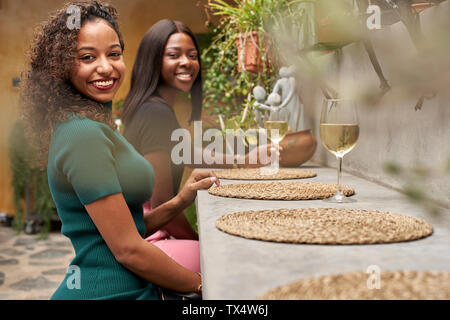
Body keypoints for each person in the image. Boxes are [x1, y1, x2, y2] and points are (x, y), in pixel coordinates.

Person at [20, 0, 217, 300]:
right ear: (61, 66)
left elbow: (129, 229)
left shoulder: (93, 126)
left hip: (131, 284)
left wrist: (180, 200)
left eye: (114, 54)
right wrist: (206, 286)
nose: (106, 67)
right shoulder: (81, 134)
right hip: (110, 292)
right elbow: (127, 249)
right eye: (87, 57)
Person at [122, 19, 278, 243]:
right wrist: (200, 243)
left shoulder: (152, 107)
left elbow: (185, 152)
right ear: (153, 60)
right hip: (151, 240)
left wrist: (242, 160)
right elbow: (163, 209)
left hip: (151, 235)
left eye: (192, 55)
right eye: (174, 55)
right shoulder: (156, 113)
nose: (186, 62)